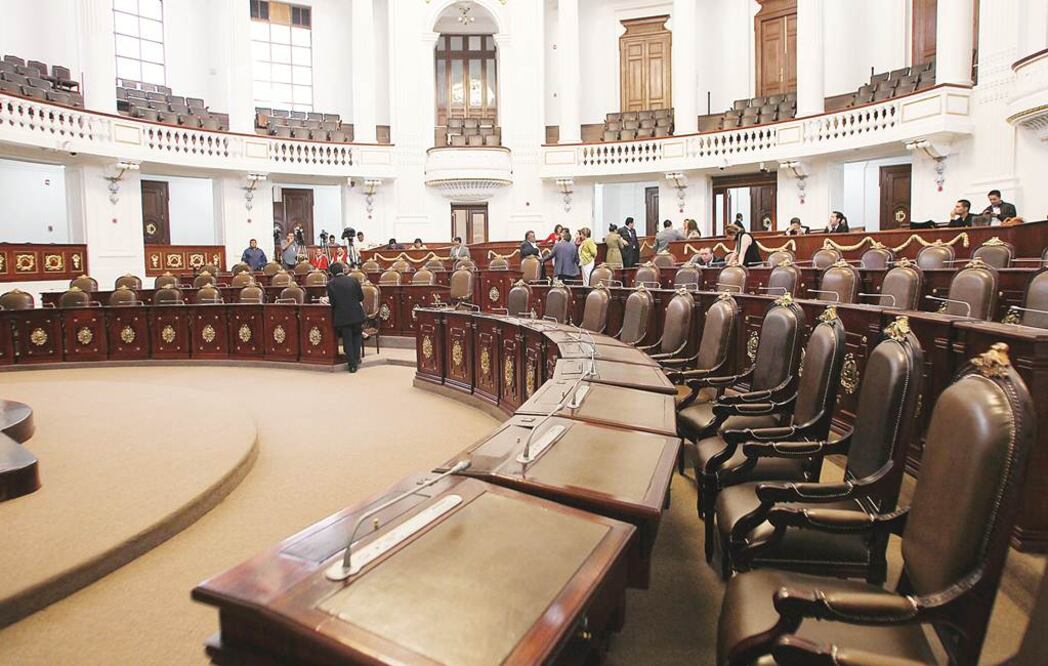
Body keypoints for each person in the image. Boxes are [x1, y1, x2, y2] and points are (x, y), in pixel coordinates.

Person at [326, 263, 366, 373]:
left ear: (332, 273)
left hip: (342, 316)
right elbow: (361, 297)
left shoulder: (331, 284)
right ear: (343, 270)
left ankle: (352, 365)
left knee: (347, 340)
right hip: (357, 314)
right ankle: (357, 359)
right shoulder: (354, 280)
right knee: (357, 337)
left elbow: (332, 303)